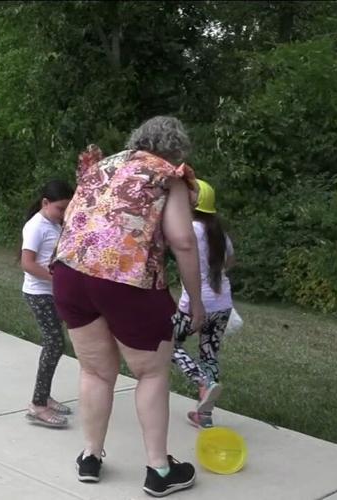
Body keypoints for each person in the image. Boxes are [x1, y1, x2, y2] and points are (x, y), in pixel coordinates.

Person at [51, 117, 204, 497]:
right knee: (150, 373)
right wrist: (196, 302)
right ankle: (160, 469)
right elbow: (183, 240)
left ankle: (90, 456)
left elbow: (75, 218)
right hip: (126, 281)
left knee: (95, 370)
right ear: (176, 149)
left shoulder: (102, 166)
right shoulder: (167, 174)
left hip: (70, 273)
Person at [171, 178, 235, 429]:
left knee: (167, 343)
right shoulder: (219, 232)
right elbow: (230, 261)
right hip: (222, 303)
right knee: (209, 354)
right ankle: (204, 415)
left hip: (195, 303)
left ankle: (201, 380)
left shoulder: (189, 230)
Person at [20, 179, 74, 428]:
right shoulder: (36, 227)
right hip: (38, 293)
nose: (63, 214)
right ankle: (38, 405)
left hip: (53, 293)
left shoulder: (55, 224)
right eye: (60, 208)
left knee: (55, 345)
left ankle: (44, 396)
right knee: (54, 344)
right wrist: (57, 280)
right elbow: (27, 263)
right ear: (45, 203)